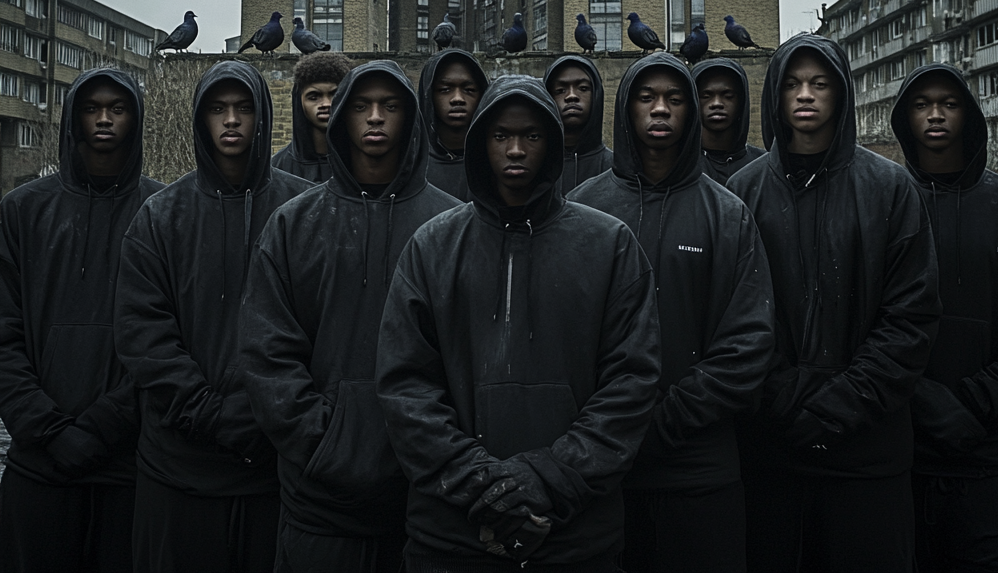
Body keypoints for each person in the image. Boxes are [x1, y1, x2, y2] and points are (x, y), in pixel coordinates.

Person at [376, 75, 661, 571]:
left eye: (530, 136)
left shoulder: (609, 245)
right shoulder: (432, 246)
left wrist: (547, 478)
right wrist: (481, 485)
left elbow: (631, 384)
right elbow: (406, 387)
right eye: (500, 136)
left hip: (575, 536)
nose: (514, 150)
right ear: (480, 142)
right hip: (452, 535)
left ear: (551, 142)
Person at [726, 34, 940, 573]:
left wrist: (841, 404)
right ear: (774, 95)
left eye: (820, 83)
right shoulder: (741, 192)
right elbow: (732, 320)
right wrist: (784, 398)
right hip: (773, 454)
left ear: (841, 94)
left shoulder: (890, 188)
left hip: (868, 457)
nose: (805, 95)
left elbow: (910, 319)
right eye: (793, 84)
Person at [239, 60, 459, 572]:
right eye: (361, 106)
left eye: (391, 106)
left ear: (411, 117)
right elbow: (267, 354)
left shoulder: (452, 226)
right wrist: (326, 447)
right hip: (319, 501)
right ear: (340, 116)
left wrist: (434, 453)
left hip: (426, 497)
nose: (376, 118)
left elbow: (469, 357)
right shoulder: (293, 224)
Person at [568, 54, 774, 573]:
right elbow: (559, 335)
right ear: (625, 107)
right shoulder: (581, 208)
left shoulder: (727, 213)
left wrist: (666, 421)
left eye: (675, 99)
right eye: (646, 97)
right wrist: (606, 428)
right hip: (602, 472)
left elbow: (748, 342)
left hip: (699, 473)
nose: (660, 109)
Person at [114, 60, 311, 573]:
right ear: (200, 119)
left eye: (243, 108)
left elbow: (317, 327)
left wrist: (269, 413)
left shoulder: (302, 211)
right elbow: (143, 334)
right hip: (177, 469)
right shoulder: (160, 216)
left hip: (273, 469)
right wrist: (207, 412)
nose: (231, 120)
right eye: (218, 109)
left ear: (262, 117)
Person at [0, 69, 163, 573]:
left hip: (128, 469)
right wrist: (48, 429)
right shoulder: (22, 210)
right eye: (92, 108)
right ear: (74, 118)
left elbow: (168, 343)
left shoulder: (161, 212)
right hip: (38, 465)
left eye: (118, 108)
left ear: (134, 119)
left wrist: (103, 426)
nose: (104, 119)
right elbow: (4, 334)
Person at [890, 63, 998, 573]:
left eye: (949, 103)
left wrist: (977, 402)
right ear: (906, 119)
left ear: (969, 114)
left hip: (981, 449)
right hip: (899, 447)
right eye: (922, 105)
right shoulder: (886, 201)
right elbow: (866, 323)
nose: (936, 115)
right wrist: (921, 400)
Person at [416, 48, 488, 201]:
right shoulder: (412, 163)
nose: (457, 98)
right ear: (429, 95)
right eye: (445, 89)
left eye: (469, 90)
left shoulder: (495, 162)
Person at [271, 52, 352, 182]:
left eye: (334, 95)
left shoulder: (363, 164)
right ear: (300, 101)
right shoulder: (277, 168)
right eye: (314, 97)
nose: (326, 104)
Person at [543, 55, 613, 193]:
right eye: (560, 91)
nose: (571, 96)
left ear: (596, 95)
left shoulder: (615, 169)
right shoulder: (536, 167)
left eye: (583, 88)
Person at [692, 57, 766, 186]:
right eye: (706, 96)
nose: (717, 104)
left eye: (728, 96)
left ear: (741, 102)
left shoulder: (766, 167)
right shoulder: (679, 167)